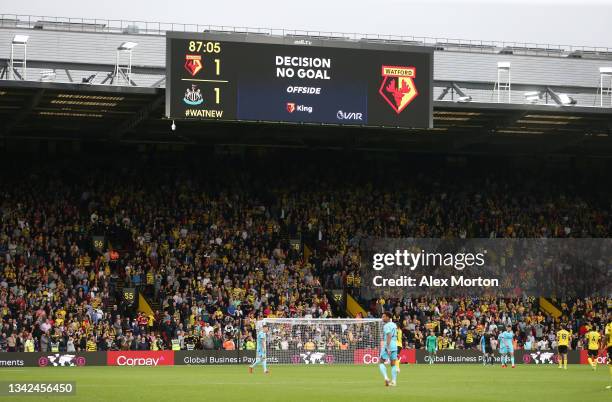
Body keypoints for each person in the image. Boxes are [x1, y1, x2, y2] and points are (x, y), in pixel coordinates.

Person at [378, 312, 398, 387]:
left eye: (384, 317)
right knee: (393, 364)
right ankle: (394, 381)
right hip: (394, 345)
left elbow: (389, 335)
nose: (382, 318)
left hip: (388, 345)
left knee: (381, 362)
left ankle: (386, 378)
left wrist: (388, 347)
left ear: (388, 317)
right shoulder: (394, 325)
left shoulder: (386, 326)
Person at [605, 317, 611, 390]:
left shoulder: (608, 325)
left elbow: (606, 336)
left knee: (611, 364)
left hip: (611, 346)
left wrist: (603, 345)